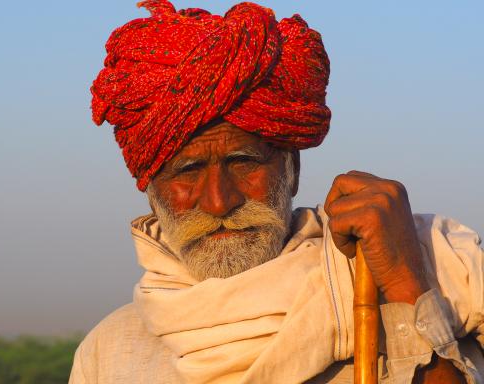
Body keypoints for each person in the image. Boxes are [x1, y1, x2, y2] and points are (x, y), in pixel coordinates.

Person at [69, 1, 484, 383]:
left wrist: (403, 281)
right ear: (150, 190)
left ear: (292, 169)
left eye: (244, 162)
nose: (219, 202)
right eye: (188, 171)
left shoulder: (444, 285)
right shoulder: (109, 353)